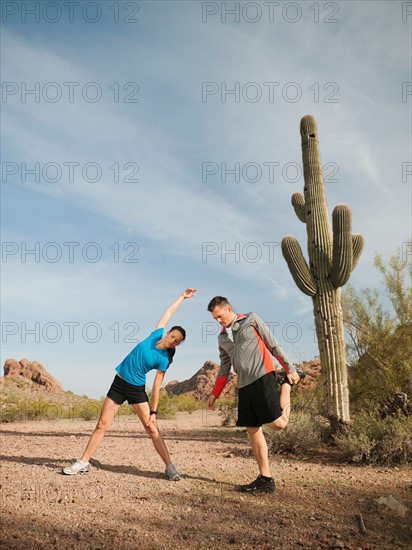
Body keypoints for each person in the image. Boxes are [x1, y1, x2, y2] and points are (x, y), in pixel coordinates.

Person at [63, 288, 197, 480]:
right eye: (173, 336)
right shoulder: (155, 334)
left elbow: (156, 386)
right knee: (102, 424)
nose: (173, 341)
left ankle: (170, 467)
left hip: (136, 390)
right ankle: (84, 462)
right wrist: (183, 297)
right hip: (118, 384)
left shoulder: (164, 359)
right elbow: (169, 312)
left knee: (152, 428)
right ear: (168, 333)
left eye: (177, 341)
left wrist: (153, 412)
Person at [207, 296, 305, 493]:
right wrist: (215, 393)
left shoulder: (250, 319)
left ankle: (285, 385)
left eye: (219, 316)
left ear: (228, 309)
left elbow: (273, 345)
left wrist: (289, 368)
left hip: (263, 377)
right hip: (244, 386)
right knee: (253, 430)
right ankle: (265, 479)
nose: (218, 321)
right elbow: (224, 369)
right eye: (214, 319)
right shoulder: (222, 339)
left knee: (278, 424)